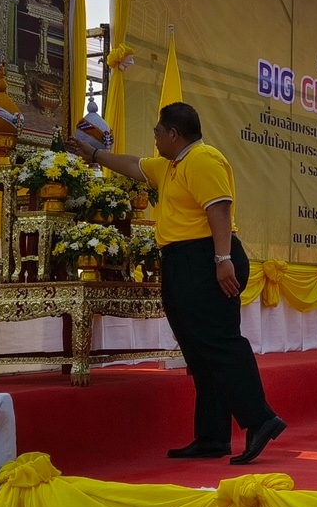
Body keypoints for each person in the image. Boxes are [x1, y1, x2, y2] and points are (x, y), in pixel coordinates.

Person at [79, 102, 286, 464]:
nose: (155, 138)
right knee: (198, 349)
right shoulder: (171, 165)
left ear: (174, 134)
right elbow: (133, 165)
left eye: (158, 132)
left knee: (219, 340)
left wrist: (222, 260)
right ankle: (212, 437)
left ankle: (261, 419)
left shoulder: (203, 160)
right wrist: (95, 154)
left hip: (207, 257)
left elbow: (219, 210)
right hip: (182, 260)